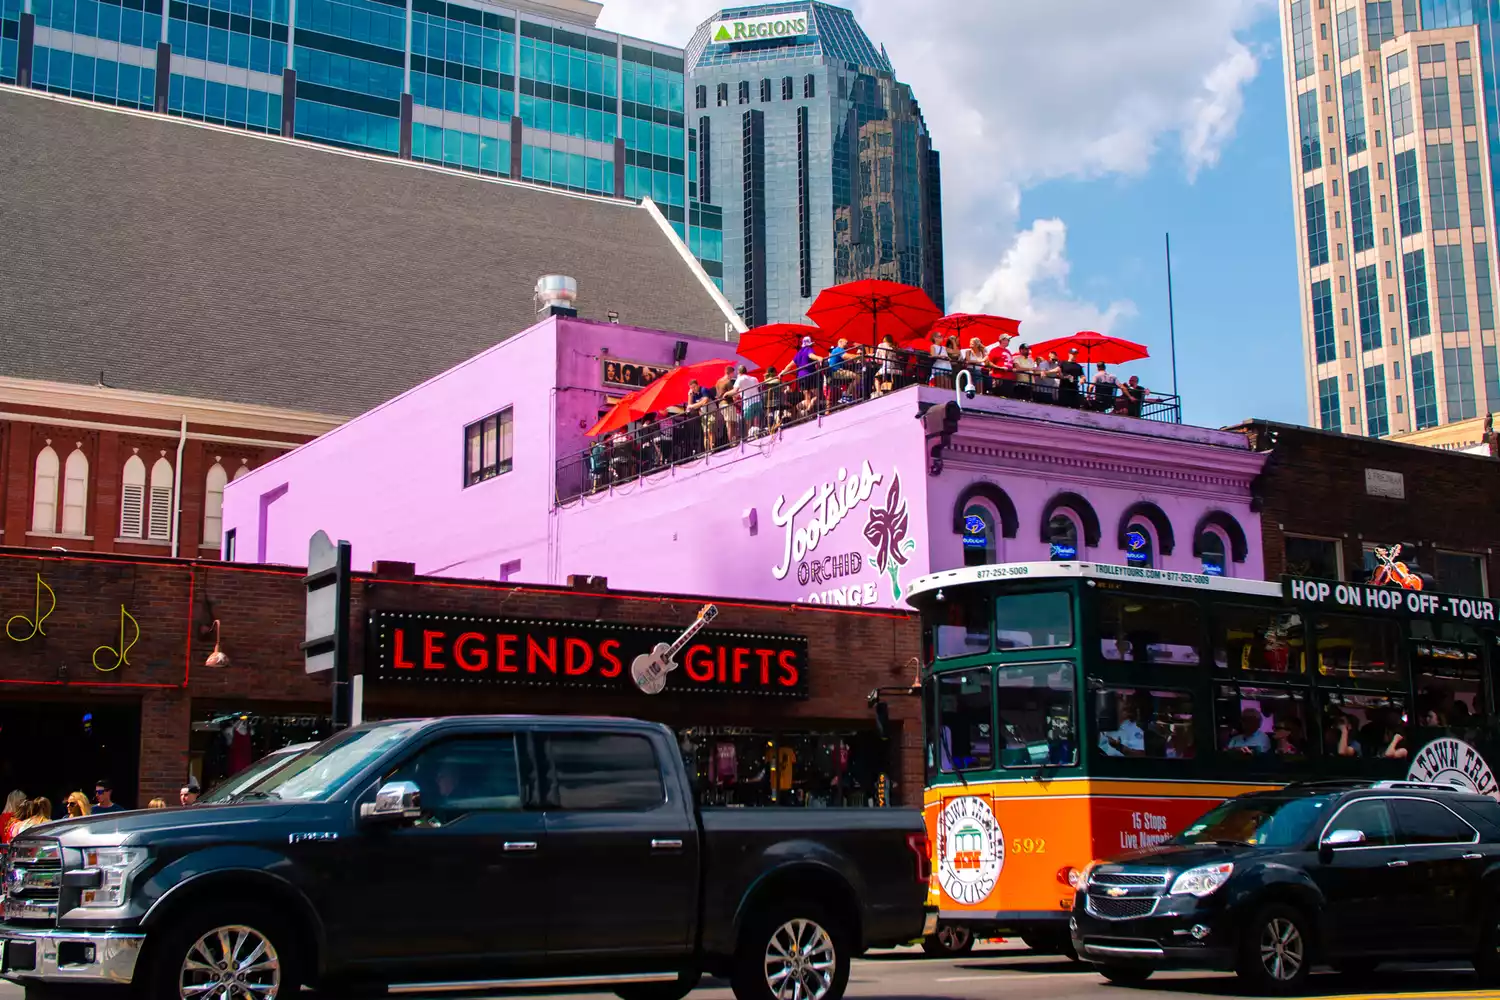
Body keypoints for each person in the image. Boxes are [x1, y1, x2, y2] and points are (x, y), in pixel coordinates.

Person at [732, 364, 763, 436]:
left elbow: (734, 391)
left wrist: (726, 393)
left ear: (739, 372)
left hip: (748, 402)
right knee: (756, 419)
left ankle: (749, 436)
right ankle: (756, 434)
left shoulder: (740, 379)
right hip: (757, 400)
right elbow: (758, 388)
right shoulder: (754, 378)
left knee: (748, 421)